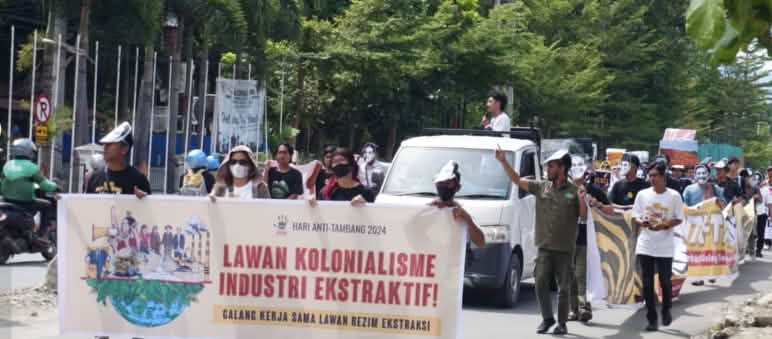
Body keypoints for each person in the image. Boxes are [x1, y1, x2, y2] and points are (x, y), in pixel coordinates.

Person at [496, 148, 586, 335]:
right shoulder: (541, 187)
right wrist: (503, 161)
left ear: (562, 168)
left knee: (563, 288)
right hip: (544, 247)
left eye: (551, 166)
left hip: (565, 250)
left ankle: (562, 323)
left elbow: (583, 216)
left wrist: (582, 199)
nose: (548, 169)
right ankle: (547, 318)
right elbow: (517, 180)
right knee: (540, 282)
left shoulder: (574, 191)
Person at [632, 162, 684, 332]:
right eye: (650, 176)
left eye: (655, 175)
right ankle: (652, 319)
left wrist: (665, 225)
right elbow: (635, 215)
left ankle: (666, 308)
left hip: (665, 245)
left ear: (663, 176)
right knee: (647, 283)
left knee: (665, 281)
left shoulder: (674, 196)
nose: (652, 179)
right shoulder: (642, 195)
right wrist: (642, 222)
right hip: (645, 244)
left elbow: (679, 218)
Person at [0, 138, 59, 248]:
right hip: (25, 203)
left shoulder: (7, 165)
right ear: (27, 151)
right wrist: (56, 186)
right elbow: (44, 184)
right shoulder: (32, 167)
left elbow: (1, 182)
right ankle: (43, 234)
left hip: (6, 201)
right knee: (47, 205)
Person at [569, 167, 608, 324]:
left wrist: (597, 204)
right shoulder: (563, 189)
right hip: (567, 239)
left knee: (581, 275)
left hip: (586, 238)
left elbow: (610, 209)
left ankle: (584, 307)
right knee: (570, 276)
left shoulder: (594, 190)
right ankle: (574, 309)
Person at [683, 164, 726, 286]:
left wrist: (716, 200)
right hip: (694, 225)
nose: (701, 175)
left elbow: (724, 206)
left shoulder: (716, 189)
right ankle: (698, 277)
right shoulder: (689, 190)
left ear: (708, 174)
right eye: (699, 173)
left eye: (704, 173)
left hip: (711, 224)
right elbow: (684, 206)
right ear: (695, 175)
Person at [85, 122, 151, 198]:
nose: (105, 147)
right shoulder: (94, 177)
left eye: (110, 144)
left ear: (124, 149)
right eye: (105, 144)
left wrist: (143, 200)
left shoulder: (138, 180)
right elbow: (86, 204)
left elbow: (150, 204)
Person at [429, 161, 485, 248]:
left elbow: (481, 243)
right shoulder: (429, 209)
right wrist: (429, 210)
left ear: (457, 187)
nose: (443, 186)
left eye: (448, 183)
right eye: (440, 183)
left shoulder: (462, 213)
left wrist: (468, 220)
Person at [753, 171, 769, 257]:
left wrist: (770, 214)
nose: (757, 180)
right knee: (751, 233)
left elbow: (768, 202)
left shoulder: (766, 190)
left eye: (758, 178)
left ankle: (758, 250)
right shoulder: (750, 188)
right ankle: (749, 249)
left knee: (761, 233)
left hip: (762, 213)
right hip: (751, 213)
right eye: (755, 178)